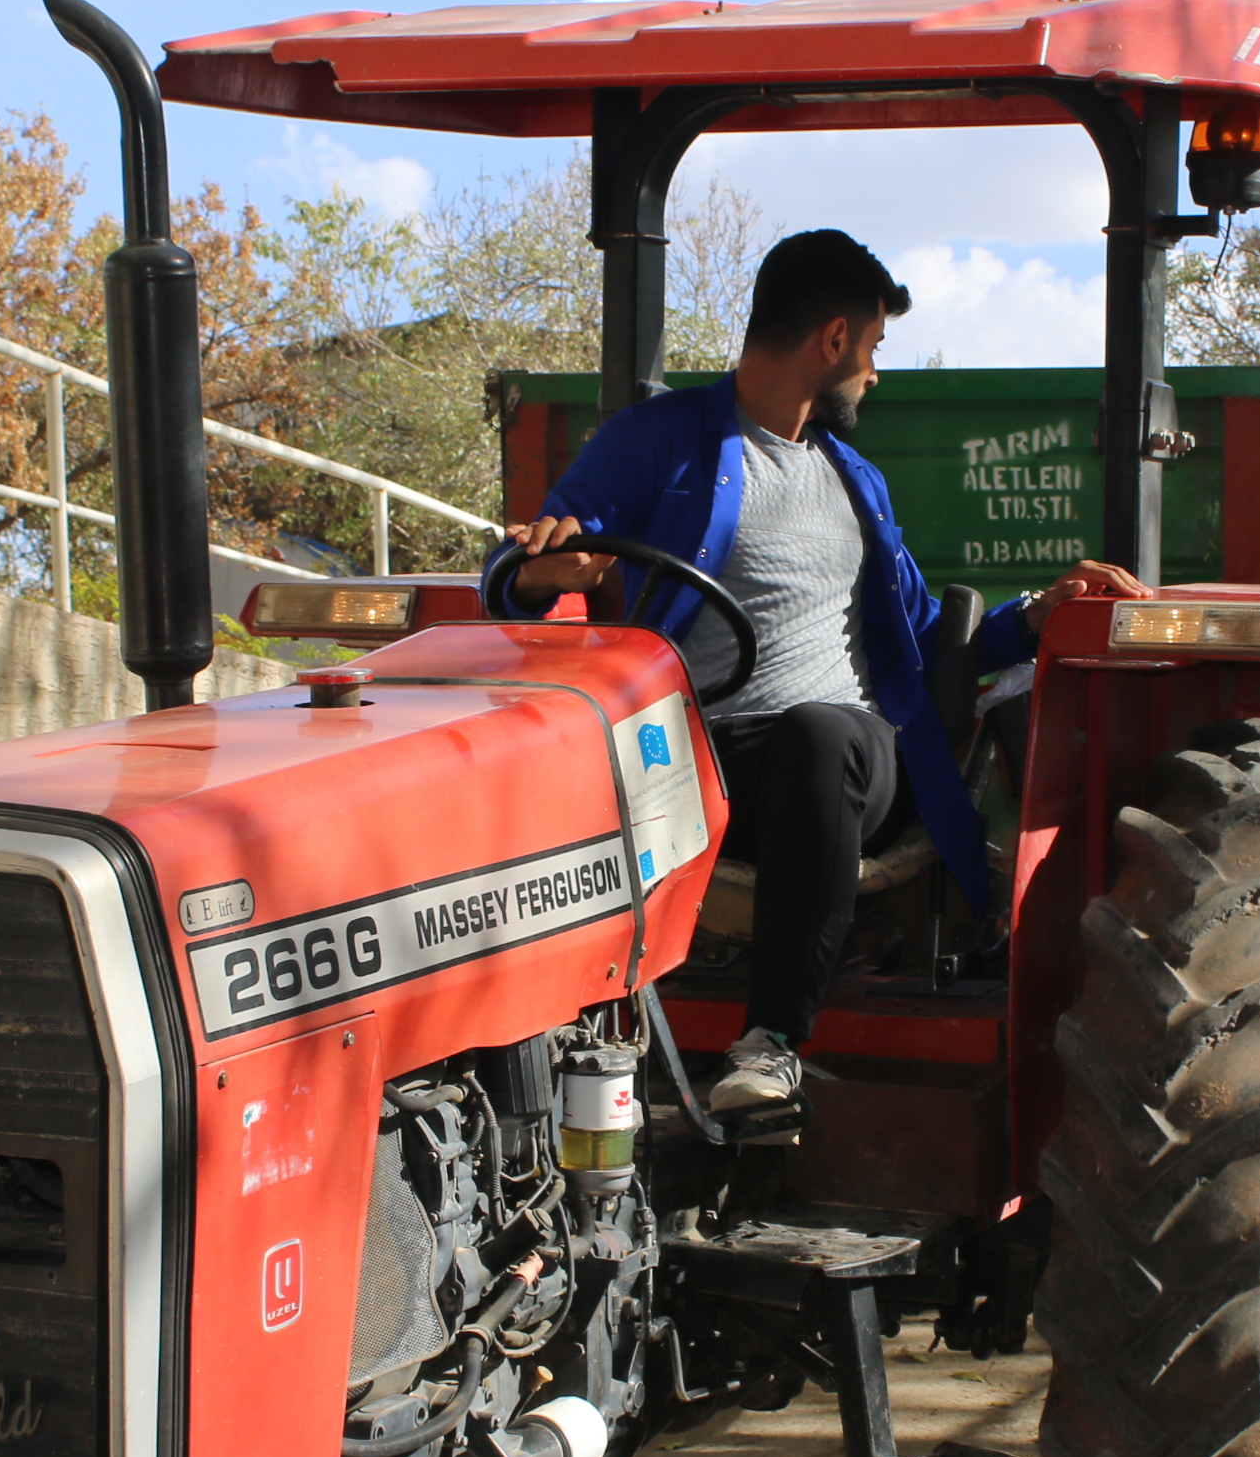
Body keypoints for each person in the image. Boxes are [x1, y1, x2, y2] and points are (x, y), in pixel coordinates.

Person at [489, 229, 1140, 1120]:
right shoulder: (659, 442)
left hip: (850, 757)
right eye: (873, 349)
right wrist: (538, 573)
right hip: (698, 764)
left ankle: (771, 1046)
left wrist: (1038, 615)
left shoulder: (855, 482)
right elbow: (532, 557)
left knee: (819, 732)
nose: (875, 373)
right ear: (833, 339)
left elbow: (928, 640)